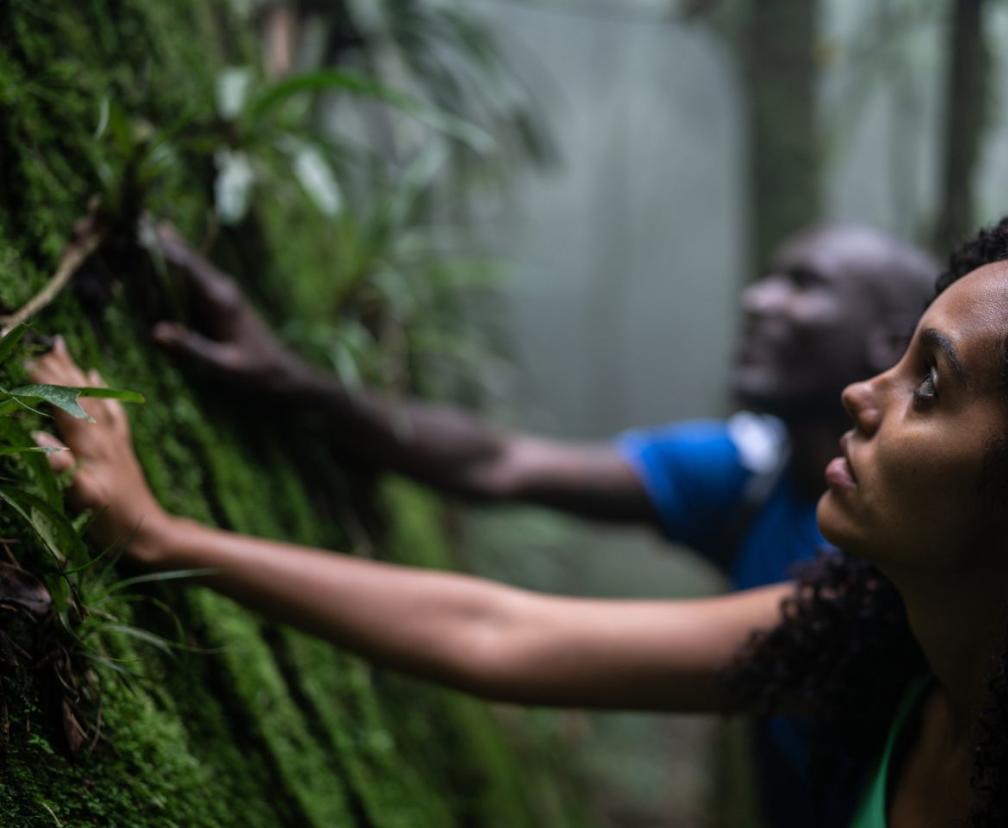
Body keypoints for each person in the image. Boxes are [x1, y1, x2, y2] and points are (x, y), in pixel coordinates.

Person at [31, 201, 1008, 826]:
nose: (860, 399)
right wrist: (161, 536)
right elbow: (502, 631)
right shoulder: (868, 635)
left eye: (930, 381)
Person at [145, 220, 938, 825]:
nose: (758, 298)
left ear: (886, 340)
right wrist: (294, 383)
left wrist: (162, 536)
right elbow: (500, 462)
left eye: (805, 285)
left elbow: (496, 634)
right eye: (770, 276)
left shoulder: (898, 579)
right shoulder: (752, 469)